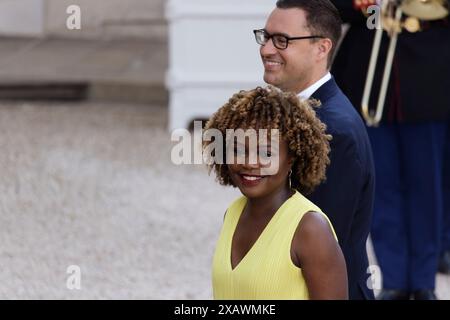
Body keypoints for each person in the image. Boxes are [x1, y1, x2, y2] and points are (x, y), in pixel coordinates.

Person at [254, 0, 375, 299]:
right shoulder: (302, 111)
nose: (266, 49)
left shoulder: (333, 129)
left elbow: (320, 246)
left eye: (282, 40)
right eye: (265, 37)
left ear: (322, 48)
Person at [331, 0, 450, 299]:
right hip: (369, 71)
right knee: (380, 187)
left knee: (428, 188)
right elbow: (329, 8)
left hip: (431, 75)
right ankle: (394, 277)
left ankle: (424, 282)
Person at [204, 86, 348, 299]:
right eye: (238, 149)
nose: (249, 162)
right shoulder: (232, 215)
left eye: (265, 152)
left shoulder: (310, 229)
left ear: (291, 157)